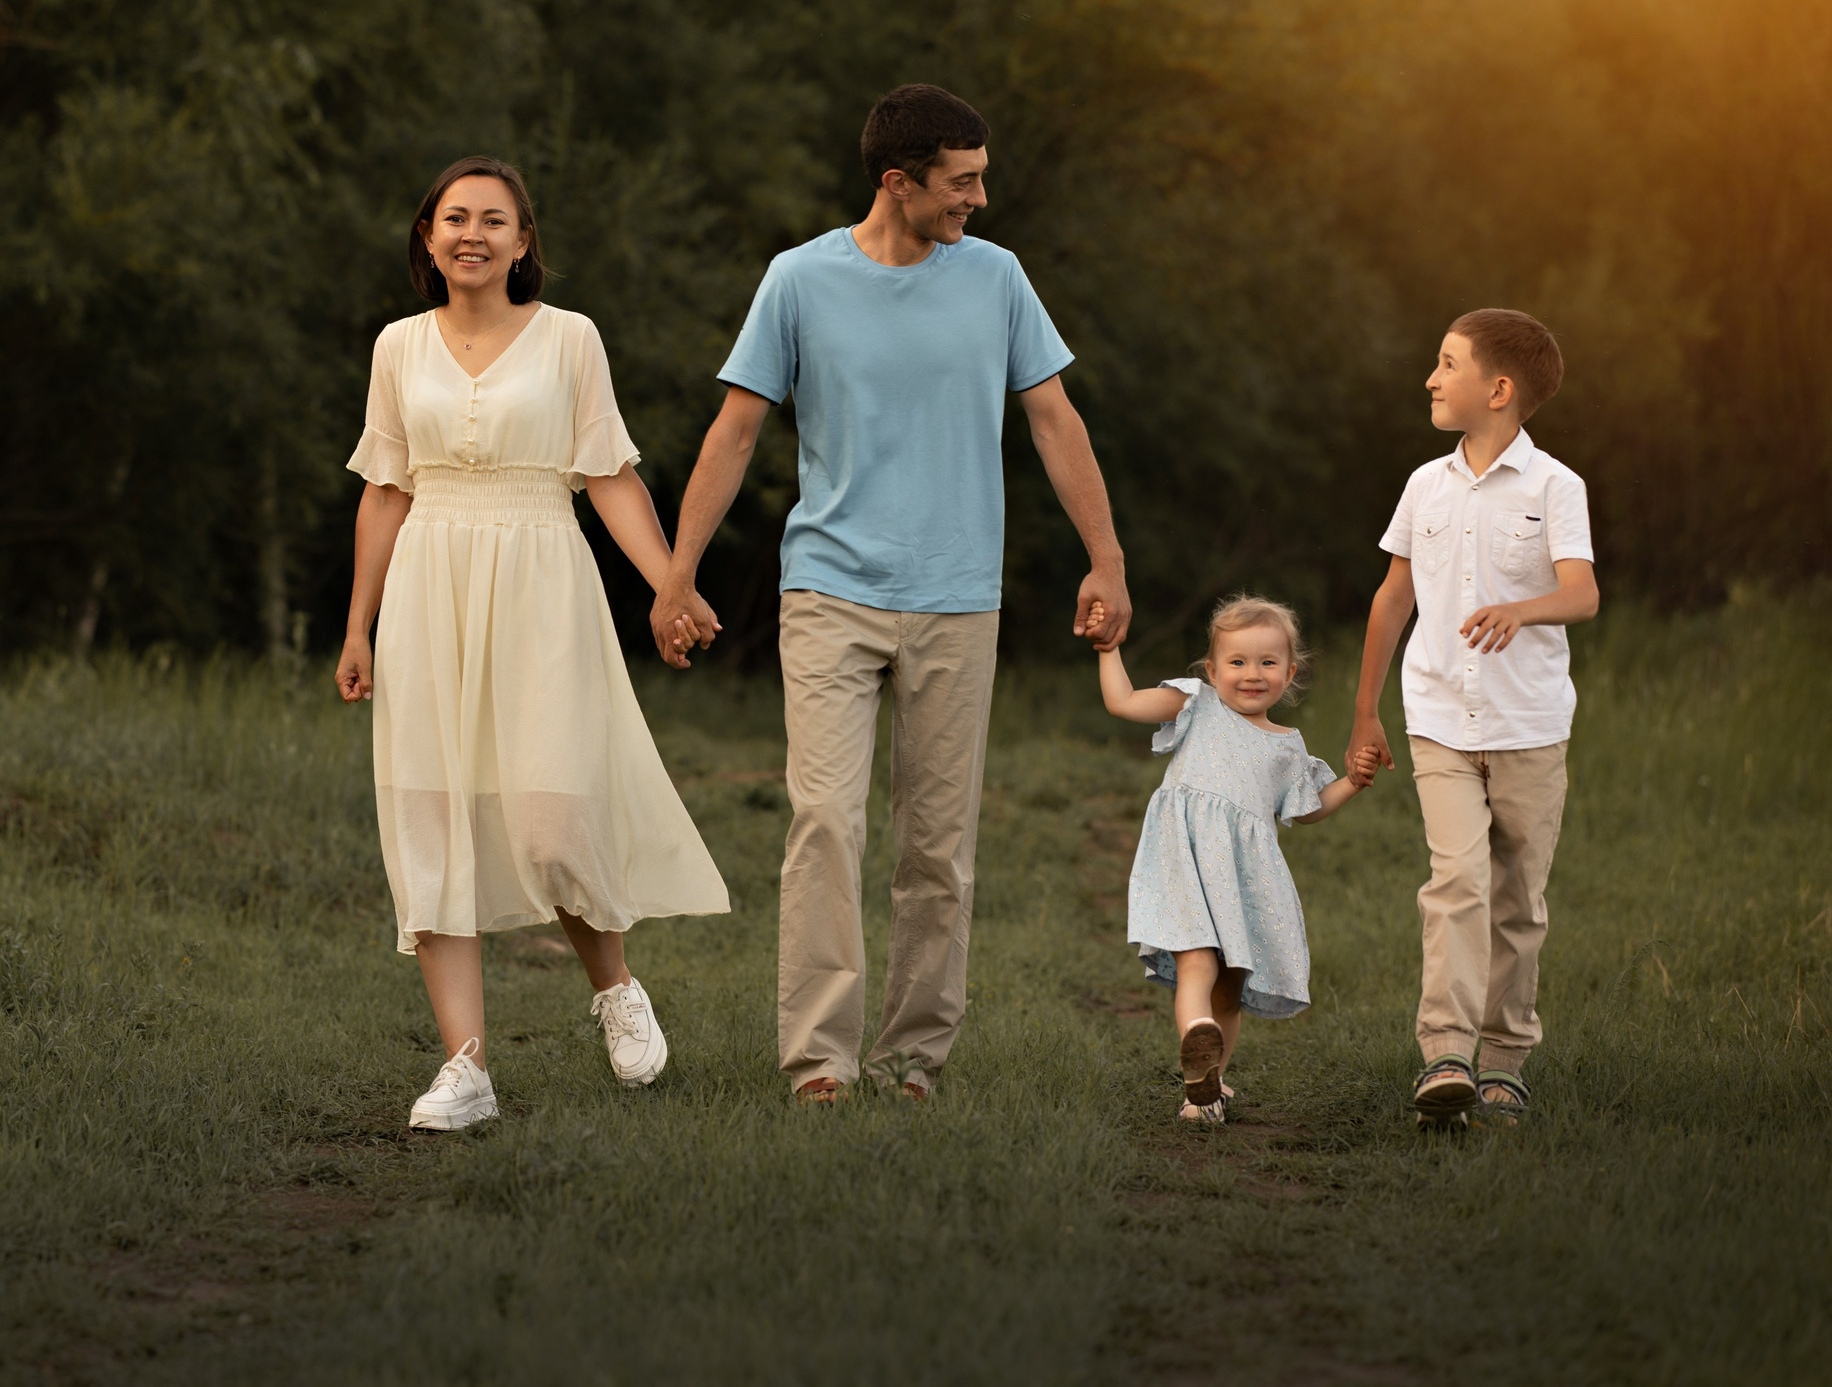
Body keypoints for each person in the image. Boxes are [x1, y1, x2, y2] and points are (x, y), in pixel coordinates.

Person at [654, 84, 1131, 1102]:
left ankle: (912, 1058)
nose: (978, 200)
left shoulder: (996, 279)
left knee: (936, 844)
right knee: (825, 820)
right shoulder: (798, 279)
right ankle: (820, 1062)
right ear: (896, 181)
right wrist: (676, 572)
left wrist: (1107, 558)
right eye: (960, 183)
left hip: (960, 596)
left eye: (981, 178)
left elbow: (1052, 419)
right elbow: (734, 430)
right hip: (830, 589)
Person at [335, 155, 731, 1132]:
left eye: (493, 219)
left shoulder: (567, 341)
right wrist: (359, 623)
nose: (472, 233)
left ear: (522, 241)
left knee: (551, 821)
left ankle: (613, 985)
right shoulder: (397, 346)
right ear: (429, 238)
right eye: (453, 217)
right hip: (431, 582)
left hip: (543, 580)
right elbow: (385, 488)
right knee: (430, 820)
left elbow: (607, 475)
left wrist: (670, 583)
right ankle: (465, 1068)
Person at [1348, 310, 1598, 1126]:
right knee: (1455, 882)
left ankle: (1504, 1060)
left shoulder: (1556, 486)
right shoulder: (1425, 484)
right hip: (1439, 720)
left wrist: (1522, 611)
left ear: (1499, 389)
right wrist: (1366, 713)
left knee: (1519, 899)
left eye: (1446, 363)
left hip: (1529, 727)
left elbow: (1581, 593)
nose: (1430, 377)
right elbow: (1394, 599)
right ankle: (1445, 1055)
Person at [1091, 596, 1378, 1122]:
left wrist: (1353, 783)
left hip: (1242, 877)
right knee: (1199, 962)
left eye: (1268, 663)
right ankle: (1201, 1058)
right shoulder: (1195, 704)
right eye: (1238, 662)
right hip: (1185, 858)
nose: (1252, 674)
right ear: (1212, 669)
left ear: (1290, 673)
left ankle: (1207, 1080)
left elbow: (1308, 809)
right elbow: (1124, 703)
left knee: (1225, 981)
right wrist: (1109, 649)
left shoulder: (1287, 747)